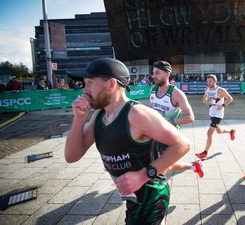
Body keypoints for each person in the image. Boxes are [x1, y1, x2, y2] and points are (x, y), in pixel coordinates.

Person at [65, 58, 190, 224]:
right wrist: (79, 118)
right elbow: (72, 156)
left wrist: (143, 175)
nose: (84, 90)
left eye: (89, 83)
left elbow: (182, 144)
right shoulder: (99, 116)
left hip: (150, 199)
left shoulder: (137, 114)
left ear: (111, 84)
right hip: (133, 198)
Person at [150, 61, 203, 178]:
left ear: (167, 75)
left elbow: (190, 117)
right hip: (155, 132)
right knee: (157, 165)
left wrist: (169, 120)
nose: (153, 76)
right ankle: (194, 166)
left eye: (157, 73)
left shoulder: (176, 94)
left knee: (159, 168)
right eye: (153, 73)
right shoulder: (153, 90)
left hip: (169, 134)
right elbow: (153, 108)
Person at [196, 74, 235, 159]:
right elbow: (204, 99)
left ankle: (205, 152)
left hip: (218, 114)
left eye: (210, 81)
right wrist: (206, 101)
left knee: (209, 133)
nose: (208, 83)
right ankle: (231, 131)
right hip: (212, 113)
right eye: (207, 81)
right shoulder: (207, 89)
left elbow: (230, 98)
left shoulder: (220, 90)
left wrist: (223, 105)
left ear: (215, 81)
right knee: (219, 131)